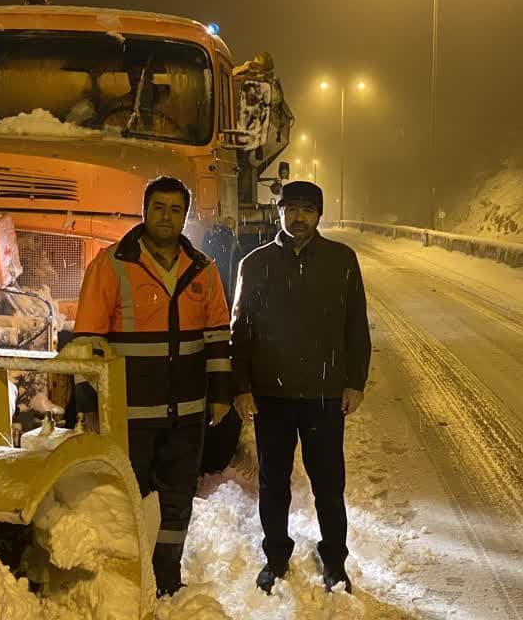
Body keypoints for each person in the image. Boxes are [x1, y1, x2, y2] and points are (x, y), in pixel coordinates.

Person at [71, 175, 232, 598]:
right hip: (128, 412)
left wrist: (219, 395)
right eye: (158, 207)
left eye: (175, 209)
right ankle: (129, 580)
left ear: (186, 215)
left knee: (178, 499)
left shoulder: (203, 270)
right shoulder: (110, 265)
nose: (166, 216)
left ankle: (165, 580)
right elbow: (87, 343)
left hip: (187, 410)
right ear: (144, 211)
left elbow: (217, 337)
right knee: (127, 498)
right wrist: (89, 405)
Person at [231, 181, 372, 594]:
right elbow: (240, 332)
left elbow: (355, 326)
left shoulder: (341, 261)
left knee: (329, 484)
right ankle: (275, 557)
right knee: (274, 483)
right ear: (278, 212)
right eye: (291, 208)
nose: (299, 217)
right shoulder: (254, 264)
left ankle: (335, 562)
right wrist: (241, 386)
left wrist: (355, 381)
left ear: (319, 214)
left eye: (308, 209)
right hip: (270, 396)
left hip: (325, 396)